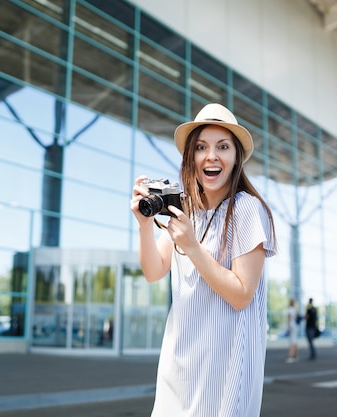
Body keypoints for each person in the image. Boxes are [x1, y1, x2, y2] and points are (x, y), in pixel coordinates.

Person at [130, 103, 276, 417]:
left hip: (222, 376)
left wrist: (193, 249)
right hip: (178, 369)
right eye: (201, 147)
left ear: (236, 157)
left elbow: (241, 295)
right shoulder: (186, 213)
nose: (211, 155)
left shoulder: (247, 209)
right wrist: (144, 226)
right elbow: (154, 271)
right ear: (191, 158)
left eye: (223, 146)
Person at [285, 298, 299, 363]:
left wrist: (288, 327)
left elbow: (289, 318)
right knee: (295, 341)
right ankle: (295, 356)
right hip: (295, 326)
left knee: (292, 341)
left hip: (292, 326)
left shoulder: (290, 309)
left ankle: (291, 356)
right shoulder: (295, 309)